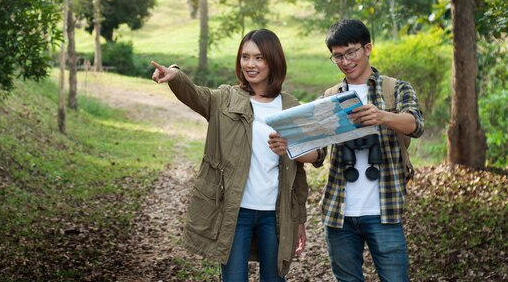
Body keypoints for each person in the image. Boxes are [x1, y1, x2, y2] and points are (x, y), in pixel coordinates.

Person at [151, 29, 319, 282]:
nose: (250, 64)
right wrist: (176, 75)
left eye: (259, 57)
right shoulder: (225, 99)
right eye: (245, 57)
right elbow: (196, 95)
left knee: (275, 278)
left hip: (275, 214)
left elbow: (305, 168)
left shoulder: (291, 106)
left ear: (273, 60)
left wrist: (299, 219)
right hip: (235, 211)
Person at [271, 19, 424, 281]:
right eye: (337, 56)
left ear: (368, 48)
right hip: (339, 213)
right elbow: (318, 154)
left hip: (384, 210)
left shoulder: (395, 88)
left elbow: (415, 124)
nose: (345, 61)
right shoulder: (330, 96)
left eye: (351, 52)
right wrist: (289, 148)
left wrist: (381, 117)